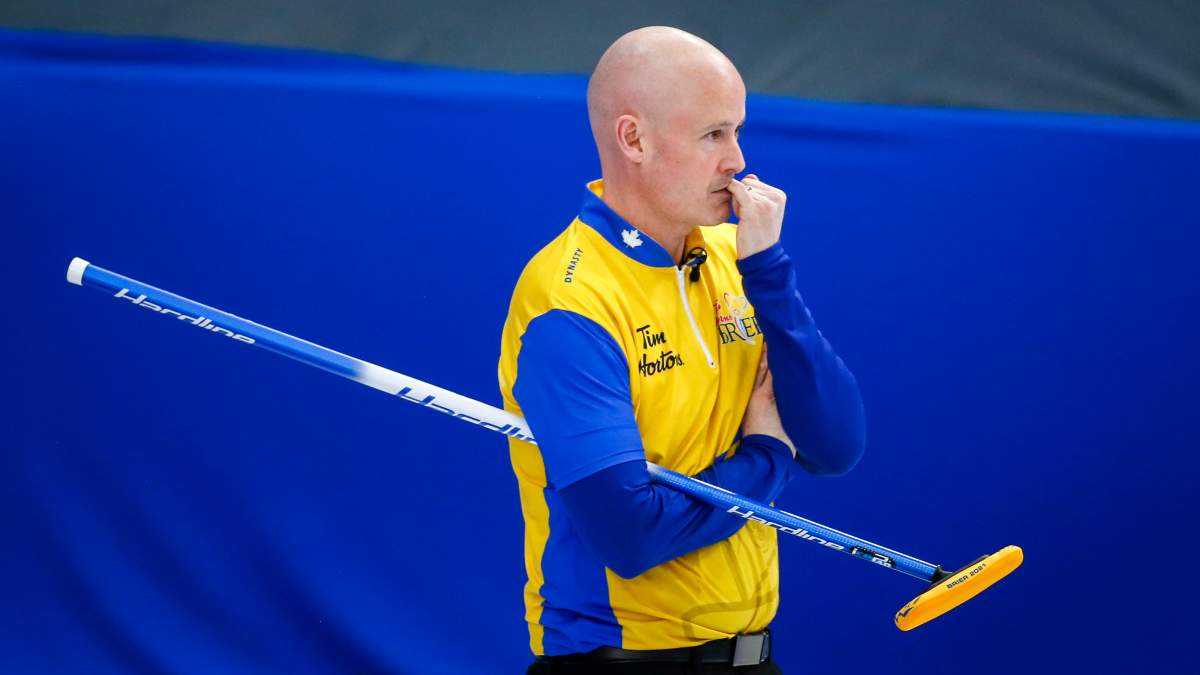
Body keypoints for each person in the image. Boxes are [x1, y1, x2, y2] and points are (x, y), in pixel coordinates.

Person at [498, 26, 866, 674]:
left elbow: (836, 445)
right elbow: (630, 534)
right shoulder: (568, 300)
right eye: (713, 135)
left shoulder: (738, 257)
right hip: (621, 659)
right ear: (633, 139)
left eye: (737, 131)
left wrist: (773, 277)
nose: (738, 160)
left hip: (754, 657)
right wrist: (768, 456)